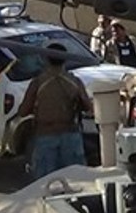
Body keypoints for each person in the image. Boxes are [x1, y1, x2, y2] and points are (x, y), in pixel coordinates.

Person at [18, 43, 93, 179]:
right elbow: (88, 108)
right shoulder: (75, 82)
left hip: (46, 135)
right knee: (76, 180)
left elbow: (23, 111)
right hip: (70, 135)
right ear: (65, 59)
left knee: (45, 182)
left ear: (46, 59)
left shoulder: (38, 82)